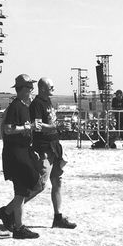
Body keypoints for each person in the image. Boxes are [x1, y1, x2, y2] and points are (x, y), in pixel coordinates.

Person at [0, 74, 45, 239]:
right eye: (30, 87)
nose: (32, 90)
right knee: (29, 187)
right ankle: (12, 218)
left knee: (23, 190)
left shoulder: (23, 106)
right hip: (16, 154)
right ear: (23, 89)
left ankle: (13, 220)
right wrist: (28, 128)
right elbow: (8, 129)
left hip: (21, 152)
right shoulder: (16, 107)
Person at [29, 78, 76, 230]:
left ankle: (58, 217)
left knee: (57, 182)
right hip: (44, 148)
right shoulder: (36, 104)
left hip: (55, 146)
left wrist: (58, 127)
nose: (54, 88)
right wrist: (56, 126)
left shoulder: (48, 102)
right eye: (51, 86)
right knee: (40, 184)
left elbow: (50, 122)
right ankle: (11, 211)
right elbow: (38, 126)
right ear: (42, 88)